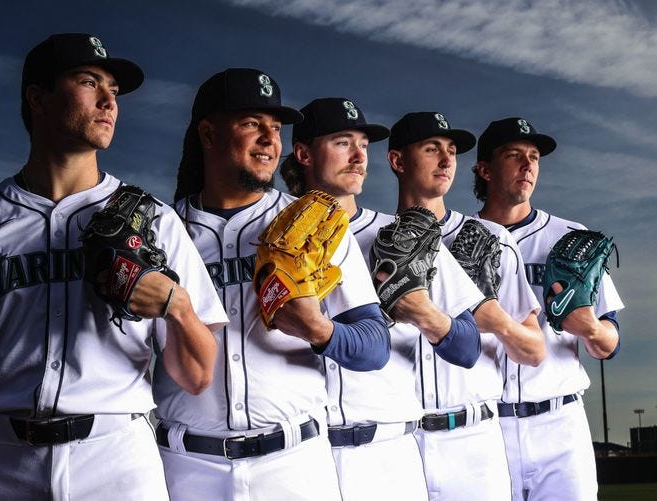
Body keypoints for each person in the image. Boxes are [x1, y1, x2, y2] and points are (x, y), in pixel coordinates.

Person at [0, 33, 227, 500]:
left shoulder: (154, 221)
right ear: (38, 99)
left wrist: (177, 305)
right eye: (88, 82)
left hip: (116, 461)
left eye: (113, 90)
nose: (108, 102)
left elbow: (197, 377)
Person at [154, 71, 391, 501]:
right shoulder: (162, 231)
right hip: (187, 468)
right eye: (252, 124)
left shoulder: (313, 223)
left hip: (294, 465)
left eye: (276, 128)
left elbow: (375, 345)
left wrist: (318, 330)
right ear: (208, 133)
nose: (269, 139)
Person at [280, 98, 485, 500]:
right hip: (301, 455)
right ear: (303, 154)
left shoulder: (403, 236)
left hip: (385, 455)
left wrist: (425, 313)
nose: (359, 157)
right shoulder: (274, 237)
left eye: (363, 145)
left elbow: (469, 347)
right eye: (344, 143)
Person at [383, 111, 547, 500]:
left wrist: (495, 319)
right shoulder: (375, 239)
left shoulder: (490, 238)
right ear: (398, 161)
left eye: (452, 151)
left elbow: (535, 350)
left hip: (473, 440)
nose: (446, 160)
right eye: (432, 149)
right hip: (399, 443)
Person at [473, 116, 624, 500]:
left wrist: (591, 328)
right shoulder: (457, 241)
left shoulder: (571, 237)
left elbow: (610, 342)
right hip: (485, 428)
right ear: (485, 170)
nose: (528, 165)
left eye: (534, 157)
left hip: (560, 424)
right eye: (514, 155)